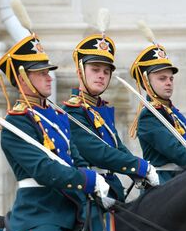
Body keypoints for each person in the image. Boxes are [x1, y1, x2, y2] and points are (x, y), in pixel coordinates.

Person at [0, 31, 110, 231]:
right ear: (22, 80)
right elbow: (45, 170)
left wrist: (96, 181)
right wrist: (86, 180)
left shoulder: (56, 115)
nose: (49, 78)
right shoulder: (15, 124)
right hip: (40, 211)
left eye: (48, 72)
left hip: (73, 205)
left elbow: (75, 158)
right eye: (40, 73)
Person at [63, 24, 159, 201]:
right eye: (95, 69)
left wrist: (141, 173)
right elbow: (98, 152)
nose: (101, 75)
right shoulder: (72, 112)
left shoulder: (99, 110)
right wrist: (138, 166)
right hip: (89, 194)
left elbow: (118, 148)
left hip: (112, 188)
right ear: (79, 71)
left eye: (106, 72)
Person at [129, 35, 186, 184]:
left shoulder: (173, 114)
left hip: (180, 182)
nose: (169, 83)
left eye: (171, 79)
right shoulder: (148, 116)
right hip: (163, 186)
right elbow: (176, 151)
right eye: (162, 79)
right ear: (146, 82)